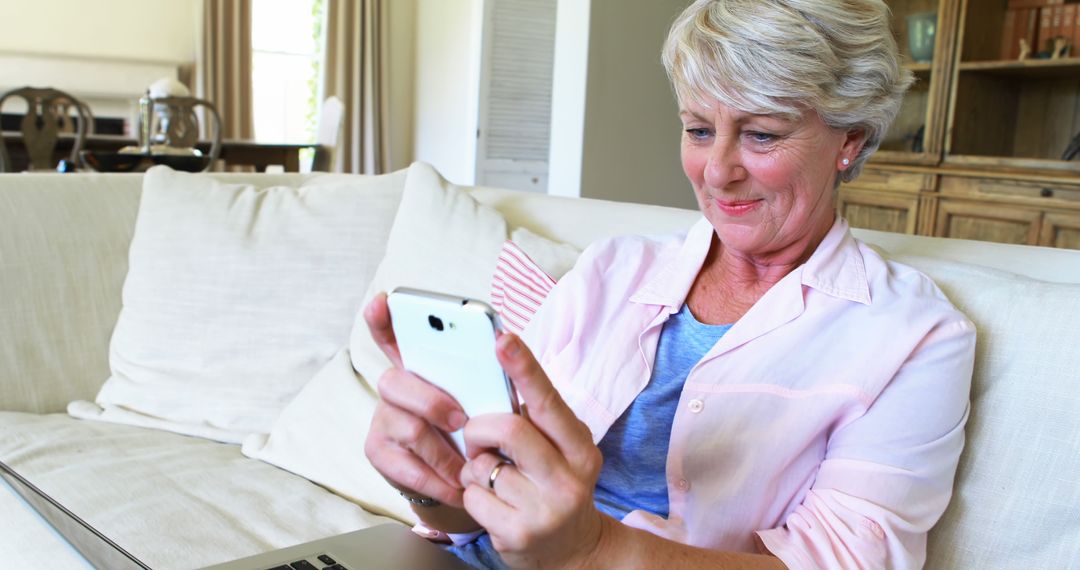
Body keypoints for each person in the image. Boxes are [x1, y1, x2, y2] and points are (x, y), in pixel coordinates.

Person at [362, 0, 976, 567]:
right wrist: (430, 484)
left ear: (851, 139)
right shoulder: (611, 270)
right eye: (699, 129)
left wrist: (592, 549)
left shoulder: (913, 334)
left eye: (762, 134)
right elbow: (476, 505)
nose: (717, 170)